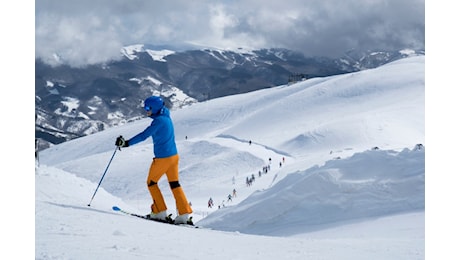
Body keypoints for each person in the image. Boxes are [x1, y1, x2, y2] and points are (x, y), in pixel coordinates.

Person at [115, 96, 193, 224]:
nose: (146, 111)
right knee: (175, 184)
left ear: (155, 108)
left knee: (151, 183)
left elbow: (144, 135)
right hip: (173, 157)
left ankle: (159, 212)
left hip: (163, 159)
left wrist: (126, 143)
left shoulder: (159, 121)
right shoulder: (166, 117)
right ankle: (184, 214)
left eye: (148, 108)